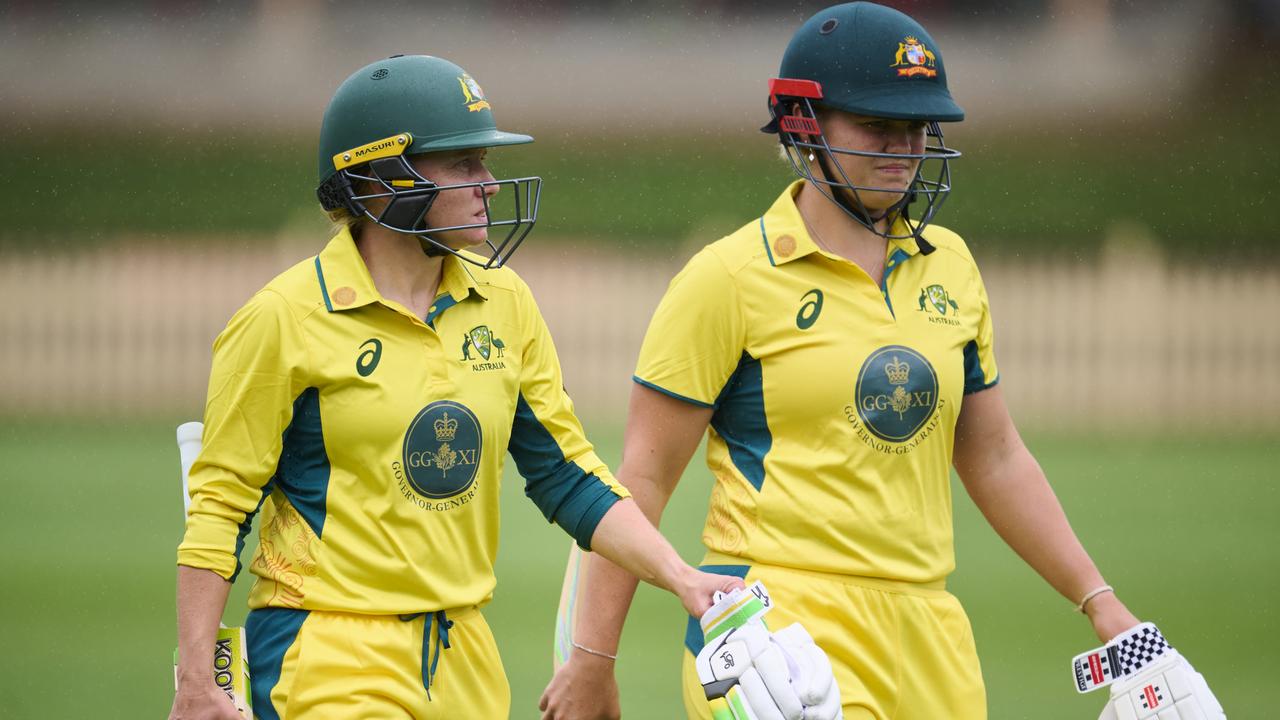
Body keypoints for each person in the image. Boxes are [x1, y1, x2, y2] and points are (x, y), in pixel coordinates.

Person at [538, 4, 1198, 719]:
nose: (906, 148)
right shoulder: (727, 278)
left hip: (929, 632)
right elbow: (639, 481)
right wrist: (592, 663)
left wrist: (1102, 605)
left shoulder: (950, 266)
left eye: (918, 128)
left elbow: (997, 456)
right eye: (879, 127)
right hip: (777, 634)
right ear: (803, 127)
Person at [168, 54, 741, 720]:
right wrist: (195, 680)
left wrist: (681, 577)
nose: (490, 185)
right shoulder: (283, 317)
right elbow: (219, 510)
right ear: (383, 177)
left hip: (465, 656)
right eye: (464, 164)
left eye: (486, 164)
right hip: (324, 651)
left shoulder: (505, 302)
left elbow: (569, 478)